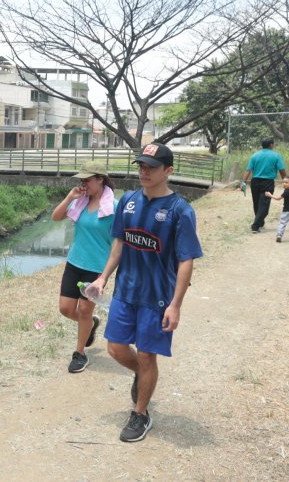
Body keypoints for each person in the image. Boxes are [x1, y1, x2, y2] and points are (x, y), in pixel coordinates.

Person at [88, 143, 203, 443]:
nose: (144, 171)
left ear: (168, 171)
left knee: (148, 354)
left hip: (158, 297)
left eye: (151, 167)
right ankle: (143, 373)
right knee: (115, 348)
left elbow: (186, 259)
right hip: (126, 291)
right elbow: (119, 244)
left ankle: (141, 413)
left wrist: (176, 305)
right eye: (141, 166)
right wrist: (103, 278)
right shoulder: (128, 201)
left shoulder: (180, 211)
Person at [51, 160, 118, 373]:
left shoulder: (113, 208)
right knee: (66, 309)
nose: (83, 184)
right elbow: (56, 217)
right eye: (81, 180)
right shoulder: (80, 202)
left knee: (85, 310)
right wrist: (70, 196)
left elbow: (119, 244)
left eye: (87, 180)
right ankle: (90, 323)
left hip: (95, 268)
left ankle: (80, 353)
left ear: (100, 179)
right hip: (74, 263)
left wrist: (105, 276)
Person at [242, 137, 286, 233]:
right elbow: (281, 170)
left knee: (257, 203)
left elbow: (248, 170)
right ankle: (255, 226)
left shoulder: (255, 155)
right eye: (273, 144)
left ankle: (260, 222)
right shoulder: (276, 156)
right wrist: (285, 180)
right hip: (267, 182)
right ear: (271, 145)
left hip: (255, 182)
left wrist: (243, 182)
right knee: (264, 204)